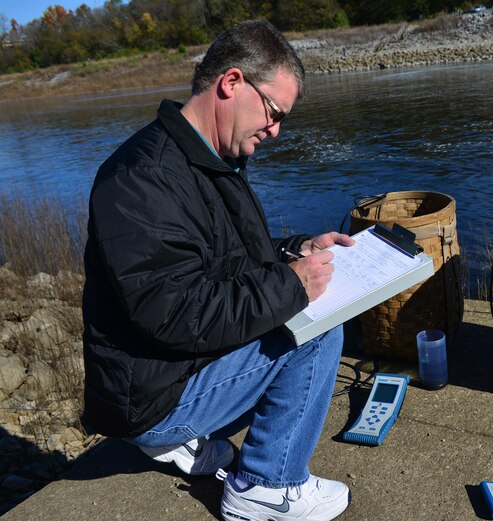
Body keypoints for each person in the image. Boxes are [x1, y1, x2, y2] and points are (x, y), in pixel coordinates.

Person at [81, 19, 355, 521]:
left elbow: (226, 259)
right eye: (274, 112)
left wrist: (297, 249)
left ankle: (192, 442)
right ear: (232, 83)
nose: (275, 131)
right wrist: (293, 288)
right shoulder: (142, 180)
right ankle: (264, 488)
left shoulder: (207, 160)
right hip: (148, 397)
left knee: (295, 301)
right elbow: (173, 311)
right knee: (317, 328)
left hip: (166, 369)